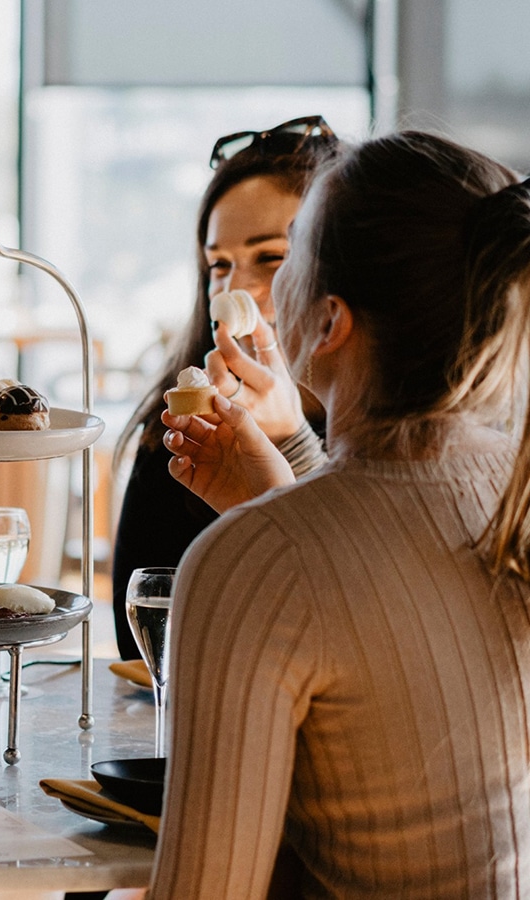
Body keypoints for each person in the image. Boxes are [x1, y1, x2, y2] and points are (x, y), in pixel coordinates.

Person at [129, 131, 530, 897]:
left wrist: (263, 532)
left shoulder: (252, 561)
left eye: (286, 255)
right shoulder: (515, 489)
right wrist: (283, 493)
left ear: (328, 320)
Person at [110, 116, 337, 659]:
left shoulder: (387, 428)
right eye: (219, 265)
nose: (236, 291)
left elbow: (365, 608)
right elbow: (138, 639)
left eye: (271, 258)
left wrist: (290, 442)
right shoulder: (181, 427)